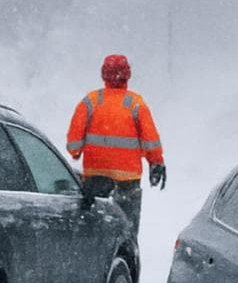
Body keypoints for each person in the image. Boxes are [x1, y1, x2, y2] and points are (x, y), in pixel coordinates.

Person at [66, 54, 166, 247]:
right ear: (128, 75)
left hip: (95, 181)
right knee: (126, 235)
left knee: (94, 233)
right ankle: (125, 260)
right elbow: (150, 140)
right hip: (127, 182)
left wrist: (79, 152)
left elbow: (73, 146)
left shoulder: (90, 102)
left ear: (103, 74)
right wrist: (156, 162)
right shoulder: (136, 104)